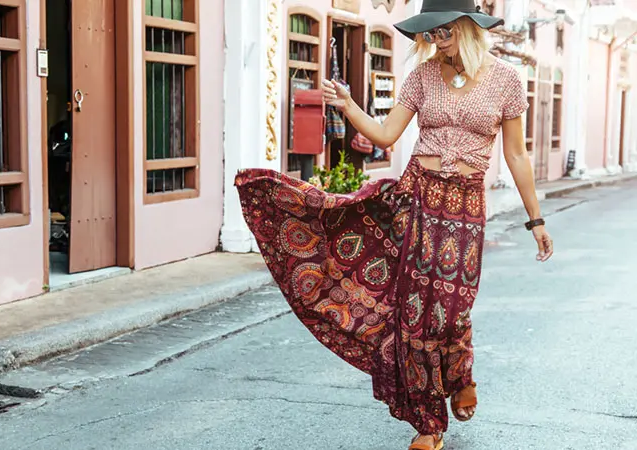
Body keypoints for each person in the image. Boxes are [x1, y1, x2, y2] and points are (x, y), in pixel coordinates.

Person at [234, 0, 553, 448]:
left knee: (452, 305)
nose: (435, 40)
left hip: (464, 209)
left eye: (443, 31)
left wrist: (534, 219)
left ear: (467, 27)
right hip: (417, 198)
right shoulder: (423, 77)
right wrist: (347, 104)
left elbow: (516, 155)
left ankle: (460, 373)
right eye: (430, 33)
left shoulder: (506, 80)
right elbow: (386, 134)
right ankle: (428, 423)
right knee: (418, 312)